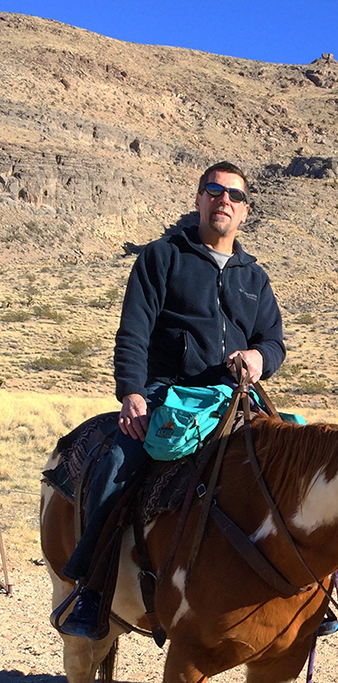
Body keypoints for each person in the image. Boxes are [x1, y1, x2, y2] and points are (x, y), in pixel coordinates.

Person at [56, 160, 288, 639]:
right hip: (168, 395)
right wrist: (133, 394)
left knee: (295, 466)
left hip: (234, 397)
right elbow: (133, 333)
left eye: (234, 196)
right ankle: (93, 591)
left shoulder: (255, 277)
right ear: (199, 199)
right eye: (214, 190)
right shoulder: (162, 257)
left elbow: (274, 341)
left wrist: (259, 359)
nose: (224, 200)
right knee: (118, 463)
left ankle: (301, 592)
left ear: (244, 210)